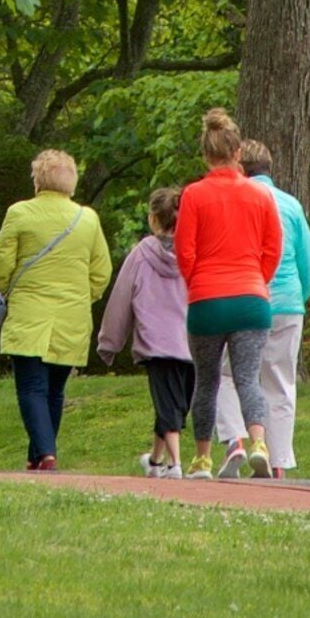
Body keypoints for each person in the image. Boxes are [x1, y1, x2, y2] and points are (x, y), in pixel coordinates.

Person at [173, 108, 283, 479]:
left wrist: (197, 284)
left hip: (207, 299)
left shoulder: (193, 195)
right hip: (252, 299)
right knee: (249, 379)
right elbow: (273, 249)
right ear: (238, 153)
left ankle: (203, 458)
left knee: (207, 382)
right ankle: (259, 444)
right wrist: (258, 280)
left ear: (206, 155)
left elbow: (184, 251)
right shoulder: (260, 196)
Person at [0, 149, 110, 471]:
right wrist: (83, 297)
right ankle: (38, 455)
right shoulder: (88, 219)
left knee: (31, 387)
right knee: (54, 389)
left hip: (29, 312)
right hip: (72, 316)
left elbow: (0, 266)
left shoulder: (20, 213)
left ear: (38, 180)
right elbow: (101, 273)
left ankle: (46, 453)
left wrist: (7, 288)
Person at [208, 138, 310, 477]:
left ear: (239, 166)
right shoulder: (290, 205)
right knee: (281, 381)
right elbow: (308, 263)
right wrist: (298, 298)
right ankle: (278, 460)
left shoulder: (232, 201)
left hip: (241, 297)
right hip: (286, 301)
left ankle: (236, 440)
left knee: (226, 373)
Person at [95, 183, 192, 476]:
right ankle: (157, 461)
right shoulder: (195, 253)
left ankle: (172, 463)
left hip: (155, 341)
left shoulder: (141, 254)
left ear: (153, 219)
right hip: (190, 339)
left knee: (168, 403)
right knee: (174, 402)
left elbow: (121, 298)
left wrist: (109, 342)